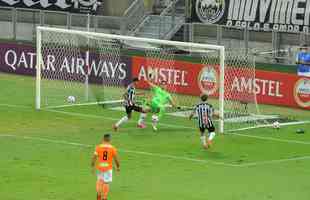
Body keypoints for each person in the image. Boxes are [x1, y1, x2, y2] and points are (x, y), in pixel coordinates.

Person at [91, 134, 120, 200]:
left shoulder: (98, 147)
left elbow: (94, 157)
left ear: (103, 139)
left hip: (100, 168)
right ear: (109, 139)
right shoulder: (112, 148)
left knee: (99, 181)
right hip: (108, 169)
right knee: (106, 183)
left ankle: (98, 196)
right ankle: (104, 198)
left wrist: (92, 167)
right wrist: (118, 166)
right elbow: (116, 159)